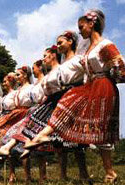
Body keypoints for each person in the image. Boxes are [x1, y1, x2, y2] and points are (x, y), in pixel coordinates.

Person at [25, 9, 125, 183]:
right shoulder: (87, 50)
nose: (80, 30)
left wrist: (109, 75)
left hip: (104, 86)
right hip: (91, 86)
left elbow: (121, 68)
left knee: (100, 128)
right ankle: (45, 133)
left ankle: (110, 172)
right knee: (68, 99)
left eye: (82, 26)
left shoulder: (104, 45)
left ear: (91, 24)